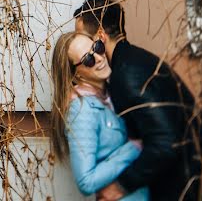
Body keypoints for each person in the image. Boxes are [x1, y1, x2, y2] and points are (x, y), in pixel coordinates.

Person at [73, 0, 202, 201]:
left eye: (83, 37)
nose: (82, 45)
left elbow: (165, 143)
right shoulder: (138, 60)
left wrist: (120, 186)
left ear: (100, 36)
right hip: (196, 178)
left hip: (185, 187)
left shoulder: (126, 76)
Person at [50, 31, 149, 200]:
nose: (99, 58)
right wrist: (134, 147)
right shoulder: (81, 110)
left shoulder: (109, 93)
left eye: (97, 47)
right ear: (76, 75)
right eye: (88, 60)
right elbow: (86, 181)